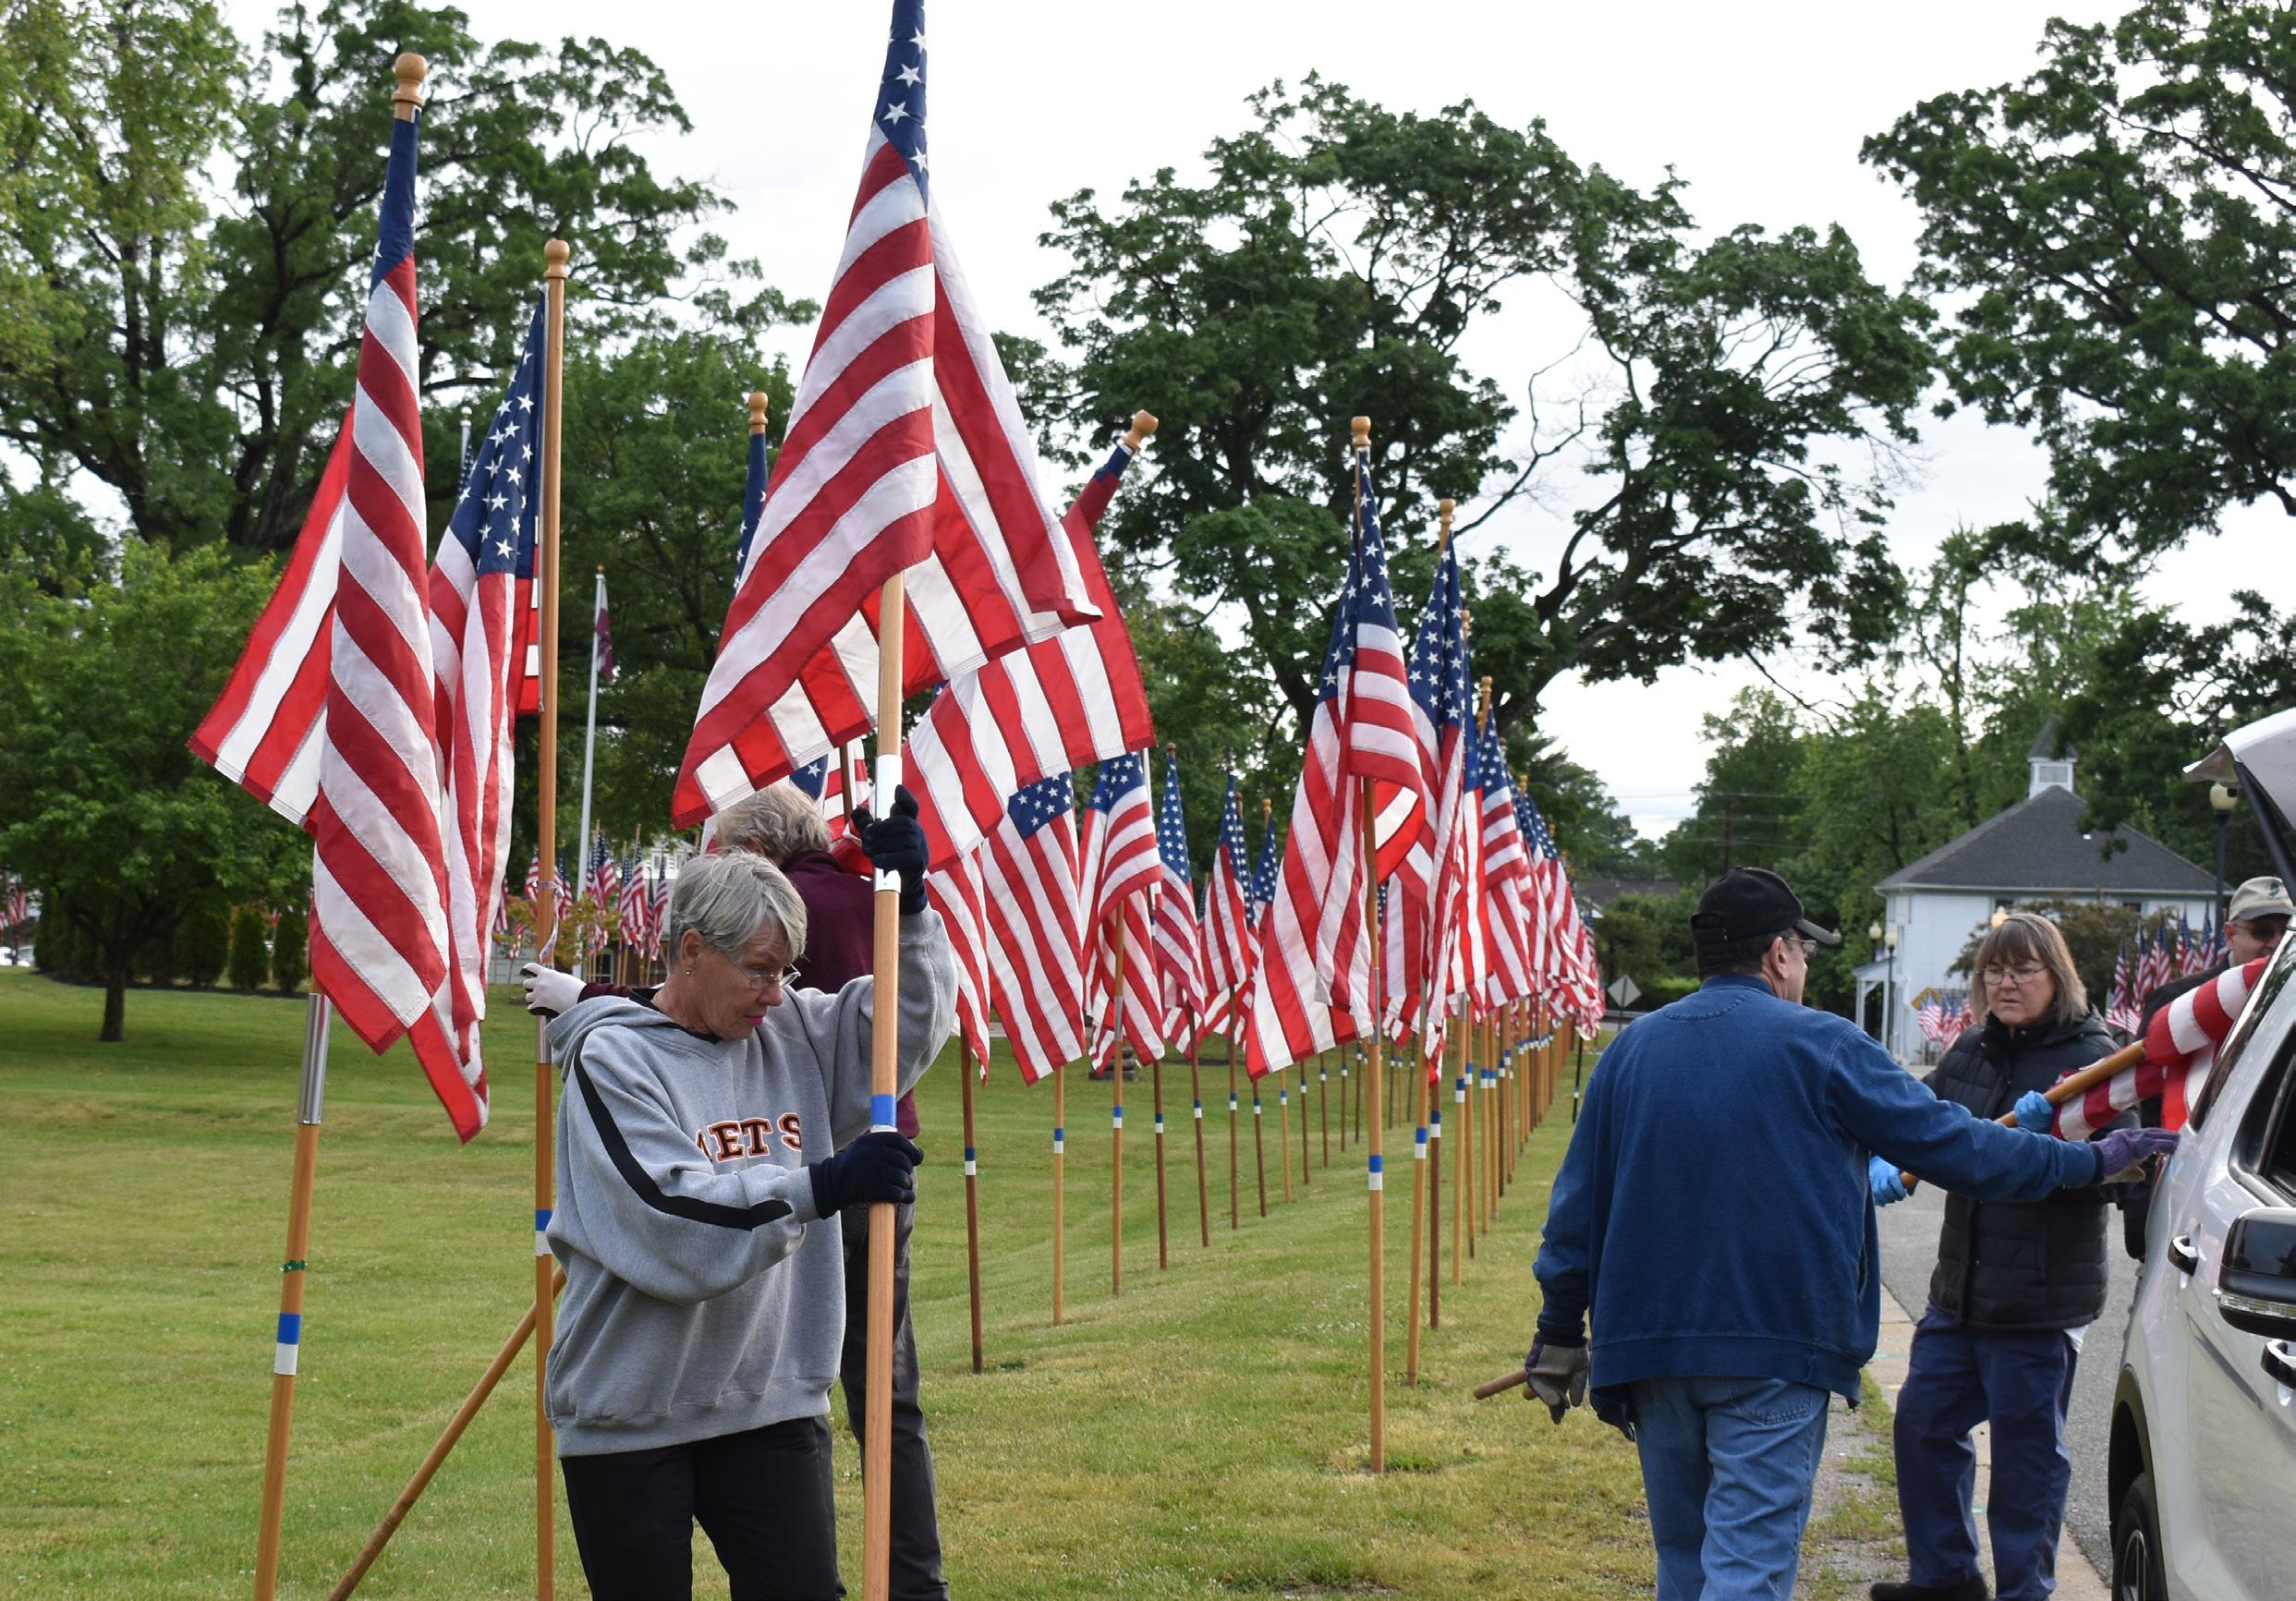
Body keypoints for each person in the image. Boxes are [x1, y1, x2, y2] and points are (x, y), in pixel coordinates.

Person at [1524, 867, 2179, 1601]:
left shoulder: (1630, 1051)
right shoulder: (1824, 1043)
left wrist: (1558, 1330)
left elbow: (1573, 1212)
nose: (1804, 966)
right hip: (1774, 1347)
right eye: (1803, 952)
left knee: (1685, 1560)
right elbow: (1960, 1145)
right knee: (1744, 1568)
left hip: (1647, 1351)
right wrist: (2088, 1159)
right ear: (1778, 953)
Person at [538, 830, 954, 1599]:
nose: (775, 991)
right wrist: (819, 1185)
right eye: (759, 969)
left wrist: (912, 908)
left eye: (785, 970)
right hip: (631, 1417)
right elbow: (673, 1221)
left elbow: (904, 1029)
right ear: (691, 951)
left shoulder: (791, 1027)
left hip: (770, 1402)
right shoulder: (612, 1060)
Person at [1866, 911, 2134, 1601]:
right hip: (1959, 1290)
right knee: (1923, 1427)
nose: (2006, 983)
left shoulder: (2095, 1060)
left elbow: (2123, 1167)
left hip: (2039, 1300)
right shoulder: (1972, 1049)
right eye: (1994, 969)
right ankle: (1946, 1580)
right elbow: (1918, 1121)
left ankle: (2024, 1591)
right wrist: (1885, 1154)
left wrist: (2051, 1143)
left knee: (2025, 1464)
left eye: (2023, 970)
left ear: (2057, 976)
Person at [2118, 876, 2292, 1258]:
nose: (2276, 942)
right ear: (2230, 934)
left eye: (2285, 931)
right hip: (2181, 1189)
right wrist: (2141, 1203)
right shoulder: (2181, 1004)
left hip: (2260, 1188)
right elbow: (2145, 1100)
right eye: (2262, 931)